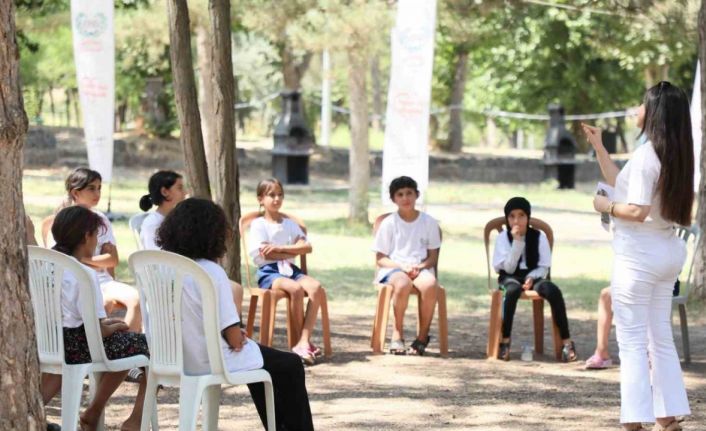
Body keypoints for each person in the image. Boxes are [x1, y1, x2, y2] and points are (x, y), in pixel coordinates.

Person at [582, 81, 694, 431]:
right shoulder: (673, 153)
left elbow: (637, 208)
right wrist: (599, 146)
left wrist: (605, 205)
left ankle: (634, 420)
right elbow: (623, 181)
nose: (636, 110)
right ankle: (667, 415)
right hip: (666, 254)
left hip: (639, 256)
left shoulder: (648, 155)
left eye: (642, 105)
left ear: (654, 113)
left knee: (631, 342)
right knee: (659, 336)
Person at [157, 198, 314, 431]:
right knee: (289, 365)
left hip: (172, 357)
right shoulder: (210, 271)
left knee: (264, 362)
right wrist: (237, 336)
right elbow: (232, 338)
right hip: (211, 359)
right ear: (212, 234)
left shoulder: (161, 267)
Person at [41, 206, 149, 431]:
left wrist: (108, 325)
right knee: (147, 346)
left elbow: (75, 317)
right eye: (96, 237)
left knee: (124, 342)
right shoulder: (84, 273)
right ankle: (133, 421)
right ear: (86, 237)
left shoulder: (44, 266)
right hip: (80, 347)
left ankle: (39, 413)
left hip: (50, 341)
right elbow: (97, 332)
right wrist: (110, 327)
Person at [46, 167, 142, 332]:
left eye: (99, 188)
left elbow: (112, 260)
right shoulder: (61, 221)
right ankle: (117, 349)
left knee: (136, 299)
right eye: (91, 188)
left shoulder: (100, 220)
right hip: (79, 282)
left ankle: (125, 342)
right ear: (75, 193)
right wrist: (88, 262)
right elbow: (59, 259)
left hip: (102, 281)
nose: (97, 193)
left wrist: (80, 259)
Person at [247, 178, 324, 364]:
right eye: (271, 195)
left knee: (316, 287)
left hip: (291, 269)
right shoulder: (259, 225)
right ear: (260, 199)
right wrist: (290, 249)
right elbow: (264, 255)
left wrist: (279, 248)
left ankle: (303, 340)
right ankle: (300, 344)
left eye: (280, 194)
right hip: (269, 272)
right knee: (295, 289)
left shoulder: (289, 223)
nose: (276, 199)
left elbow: (306, 247)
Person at [492, 197, 577, 362]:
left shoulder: (539, 237)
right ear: (507, 219)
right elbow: (508, 268)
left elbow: (544, 266)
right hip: (509, 276)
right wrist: (517, 242)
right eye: (512, 216)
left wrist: (531, 277)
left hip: (534, 274)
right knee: (512, 290)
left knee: (552, 290)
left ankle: (566, 342)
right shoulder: (503, 238)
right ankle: (505, 341)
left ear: (528, 217)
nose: (517, 220)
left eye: (521, 215)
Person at [373, 176, 441, 356]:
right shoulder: (389, 223)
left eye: (409, 193)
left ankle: (422, 336)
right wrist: (402, 267)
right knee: (402, 283)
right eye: (400, 194)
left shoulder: (429, 222)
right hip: (394, 268)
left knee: (430, 284)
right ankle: (397, 334)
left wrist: (420, 266)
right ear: (393, 199)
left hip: (420, 267)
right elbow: (381, 258)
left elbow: (433, 257)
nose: (405, 198)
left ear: (417, 195)